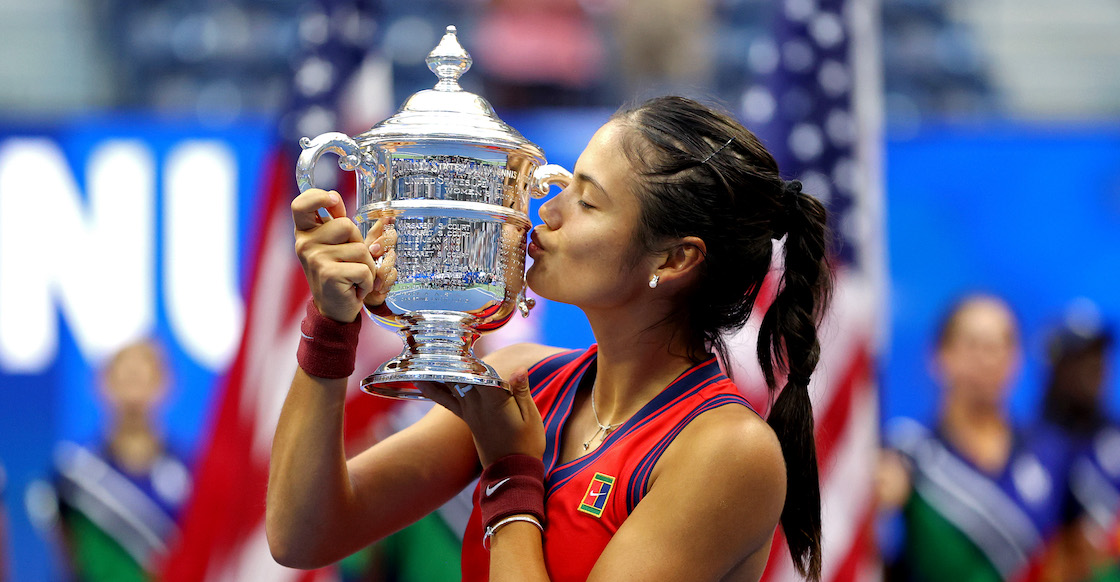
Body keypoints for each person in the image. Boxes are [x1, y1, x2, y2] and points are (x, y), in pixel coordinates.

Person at [267, 95, 832, 581]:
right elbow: (303, 534)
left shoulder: (728, 450)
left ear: (675, 257)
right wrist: (332, 324)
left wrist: (512, 471)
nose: (549, 212)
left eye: (587, 201)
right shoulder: (524, 381)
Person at [878, 295, 1072, 582]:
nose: (987, 358)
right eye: (973, 345)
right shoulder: (907, 452)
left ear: (1016, 360)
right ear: (939, 356)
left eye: (999, 345)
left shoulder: (1052, 451)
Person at [51, 340, 191, 581]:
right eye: (125, 379)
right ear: (103, 384)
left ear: (165, 384)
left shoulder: (191, 474)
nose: (134, 391)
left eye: (143, 378)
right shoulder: (73, 474)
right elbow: (69, 555)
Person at [1036, 306, 1119, 582]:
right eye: (1080, 357)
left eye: (1099, 355)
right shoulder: (1026, 445)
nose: (1094, 367)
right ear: (1055, 364)